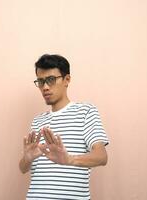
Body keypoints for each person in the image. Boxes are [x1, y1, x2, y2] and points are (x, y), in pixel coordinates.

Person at [19, 54, 109, 200]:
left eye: (51, 80)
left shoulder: (86, 111)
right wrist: (27, 159)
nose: (45, 87)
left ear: (67, 80)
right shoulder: (37, 121)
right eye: (41, 82)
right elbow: (23, 168)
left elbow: (102, 156)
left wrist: (69, 159)